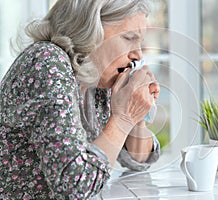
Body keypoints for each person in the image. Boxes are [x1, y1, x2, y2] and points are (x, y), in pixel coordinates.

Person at [0, 0, 160, 199]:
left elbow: (137, 159)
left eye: (140, 41)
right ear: (89, 29)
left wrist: (136, 114)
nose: (138, 55)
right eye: (129, 38)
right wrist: (123, 118)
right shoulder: (47, 61)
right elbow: (74, 187)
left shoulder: (95, 75)